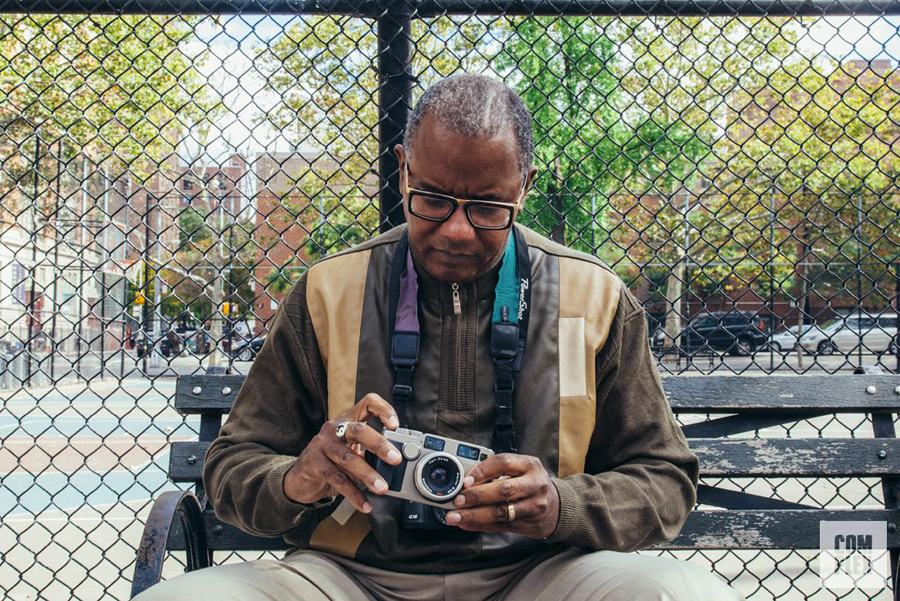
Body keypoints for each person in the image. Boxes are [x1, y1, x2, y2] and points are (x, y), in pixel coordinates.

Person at [135, 75, 744, 601]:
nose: (456, 230)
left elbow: (665, 481)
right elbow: (230, 468)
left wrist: (561, 505)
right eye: (431, 199)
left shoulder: (596, 297)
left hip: (542, 571)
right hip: (349, 574)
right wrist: (303, 476)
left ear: (524, 187)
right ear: (402, 169)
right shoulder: (327, 291)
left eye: (487, 207)